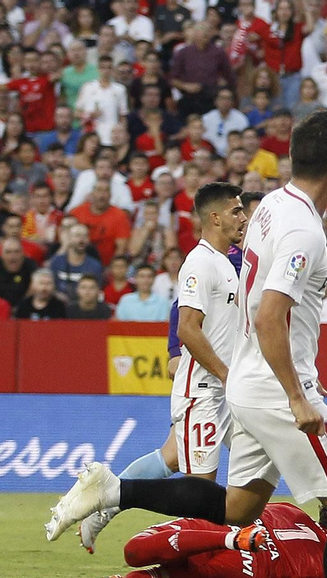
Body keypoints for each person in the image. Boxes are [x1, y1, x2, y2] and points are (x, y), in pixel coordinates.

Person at [44, 110, 327, 578]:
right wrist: (296, 394)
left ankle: (113, 491)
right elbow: (270, 316)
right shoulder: (301, 228)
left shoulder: (269, 211)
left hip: (244, 381)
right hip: (273, 386)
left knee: (239, 508)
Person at [85, 183, 247, 545]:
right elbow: (184, 313)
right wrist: (177, 349)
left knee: (174, 458)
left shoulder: (237, 257)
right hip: (208, 385)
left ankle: (107, 501)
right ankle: (111, 503)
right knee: (199, 489)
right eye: (238, 211)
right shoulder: (203, 261)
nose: (245, 218)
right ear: (216, 217)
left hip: (234, 387)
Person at [56, 502, 327, 578]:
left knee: (135, 549)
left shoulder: (290, 510)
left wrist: (230, 537)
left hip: (218, 531)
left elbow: (249, 506)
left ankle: (226, 539)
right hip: (249, 568)